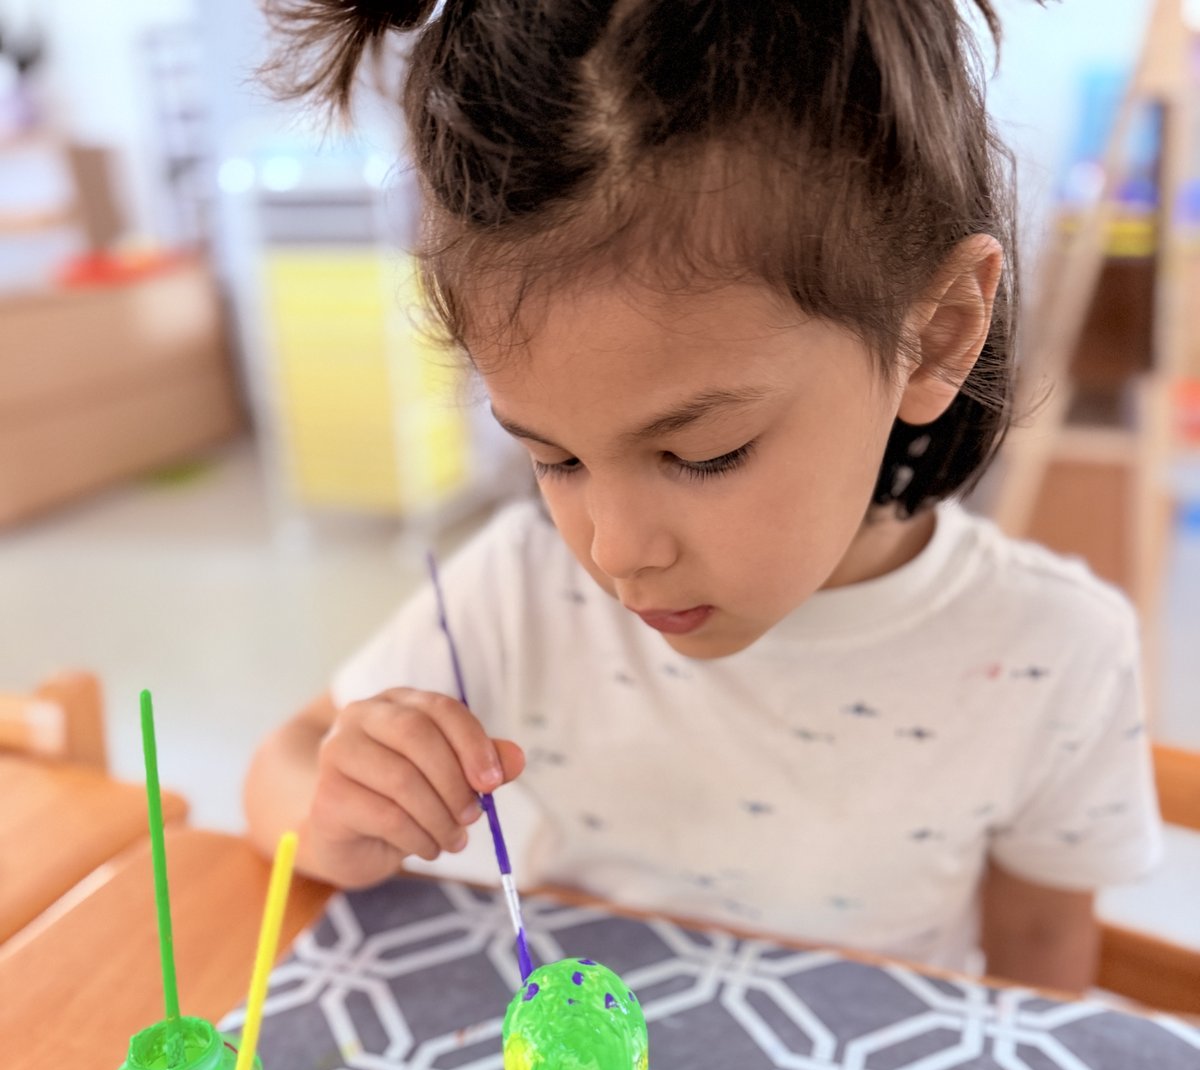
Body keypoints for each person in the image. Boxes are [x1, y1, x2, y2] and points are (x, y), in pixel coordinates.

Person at [246, 0, 1161, 991]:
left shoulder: (1054, 653)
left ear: (936, 332)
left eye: (704, 454)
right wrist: (336, 812)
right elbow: (282, 766)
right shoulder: (518, 591)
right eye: (554, 459)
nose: (615, 552)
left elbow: (1039, 976)